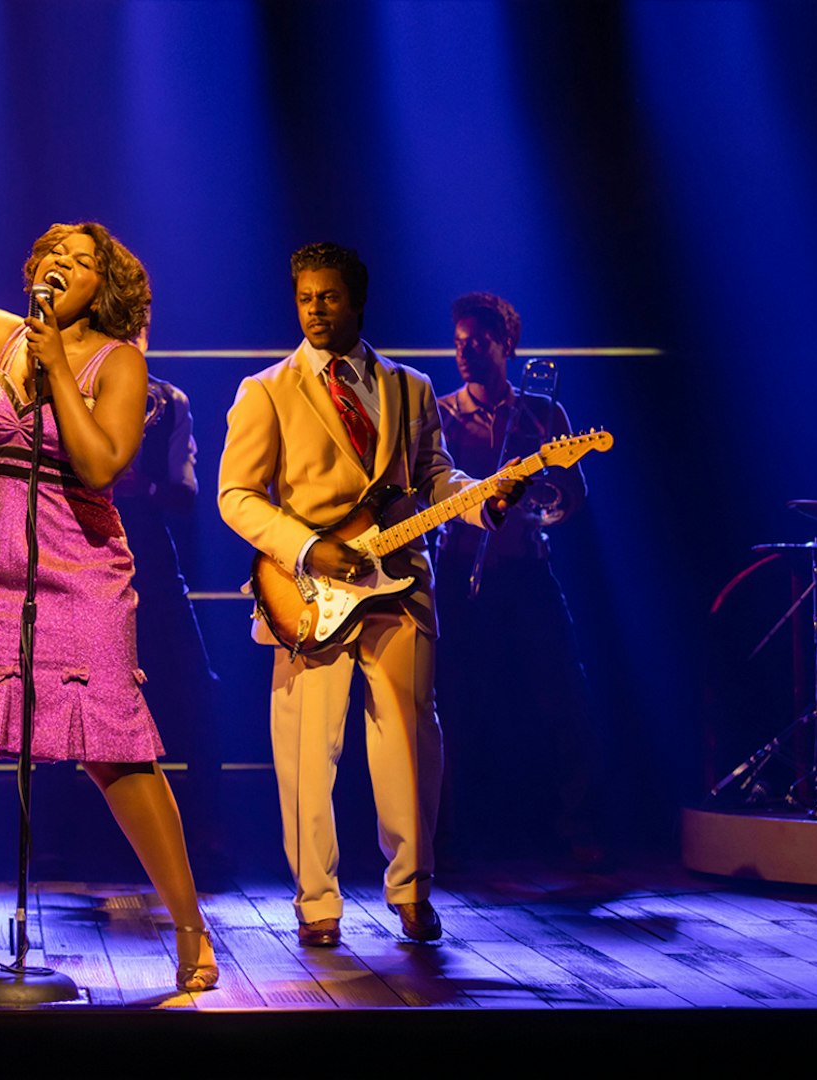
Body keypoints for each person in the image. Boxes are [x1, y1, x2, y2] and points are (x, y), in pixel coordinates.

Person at [0, 118, 216, 992]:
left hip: (82, 562)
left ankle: (188, 924)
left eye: (79, 258)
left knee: (115, 747)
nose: (59, 262)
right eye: (51, 252)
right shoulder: (3, 337)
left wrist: (59, 364)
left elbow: (100, 464)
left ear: (105, 286)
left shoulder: (118, 362)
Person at [217, 243, 519, 945]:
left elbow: (435, 477)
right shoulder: (267, 389)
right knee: (307, 752)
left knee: (410, 741)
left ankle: (413, 890)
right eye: (304, 298)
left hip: (400, 580)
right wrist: (305, 546)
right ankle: (316, 903)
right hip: (307, 589)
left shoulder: (410, 387)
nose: (315, 310)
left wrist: (483, 500)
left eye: (328, 297)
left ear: (357, 299)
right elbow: (236, 494)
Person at [434, 292, 604, 865]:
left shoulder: (543, 412)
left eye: (477, 342)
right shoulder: (442, 414)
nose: (464, 352)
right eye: (458, 343)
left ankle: (577, 827)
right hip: (460, 570)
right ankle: (459, 837)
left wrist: (540, 503)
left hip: (527, 566)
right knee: (459, 702)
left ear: (506, 344)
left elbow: (572, 497)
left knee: (563, 693)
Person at [110, 347, 225, 876]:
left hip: (152, 557)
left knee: (198, 687)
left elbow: (186, 492)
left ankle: (209, 835)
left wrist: (146, 486)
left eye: (139, 324)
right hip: (86, 552)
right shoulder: (74, 388)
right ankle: (55, 844)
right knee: (69, 685)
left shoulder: (169, 401)